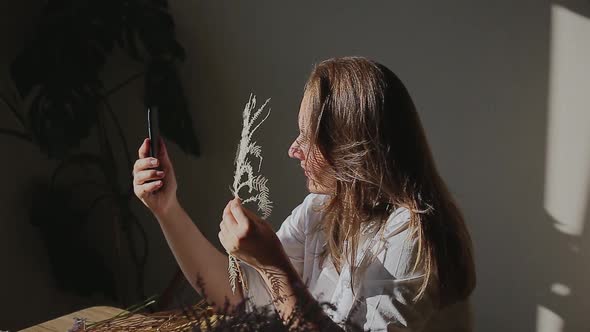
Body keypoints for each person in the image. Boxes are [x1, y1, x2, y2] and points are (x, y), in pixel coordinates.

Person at [132, 56, 476, 331]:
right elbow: (237, 296)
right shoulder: (321, 209)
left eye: (308, 137)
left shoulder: (411, 239)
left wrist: (274, 266)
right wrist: (168, 209)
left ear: (351, 150)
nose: (294, 149)